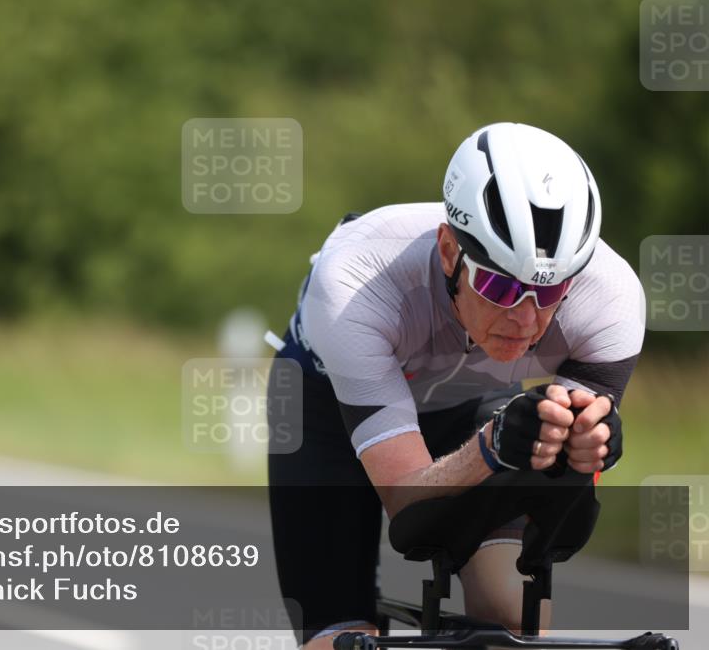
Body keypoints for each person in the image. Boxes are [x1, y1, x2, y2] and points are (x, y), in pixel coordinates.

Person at [266, 122, 645, 649]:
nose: (525, 318)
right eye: (498, 285)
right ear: (449, 251)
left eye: (550, 289)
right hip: (328, 407)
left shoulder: (610, 298)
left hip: (473, 405)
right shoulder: (357, 282)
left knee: (511, 619)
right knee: (341, 635)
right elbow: (410, 511)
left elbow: (557, 517)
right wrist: (493, 448)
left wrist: (578, 454)